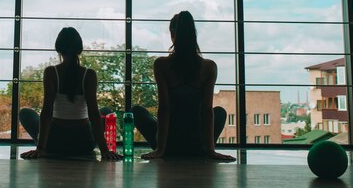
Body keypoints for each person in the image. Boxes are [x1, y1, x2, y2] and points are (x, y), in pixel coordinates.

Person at [133, 11, 235, 161]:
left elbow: (165, 108)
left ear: (173, 34)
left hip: (170, 145)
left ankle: (163, 147)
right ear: (194, 35)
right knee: (219, 112)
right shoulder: (209, 67)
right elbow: (207, 110)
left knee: (136, 111)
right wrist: (210, 150)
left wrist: (161, 149)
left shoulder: (161, 65)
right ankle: (206, 148)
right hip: (197, 145)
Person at [19, 27, 122, 160]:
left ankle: (41, 142)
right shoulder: (89, 75)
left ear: (58, 49)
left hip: (54, 143)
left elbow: (47, 112)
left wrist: (41, 148)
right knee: (105, 111)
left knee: (25, 113)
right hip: (83, 144)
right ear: (80, 49)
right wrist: (104, 150)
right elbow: (94, 114)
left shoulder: (51, 72)